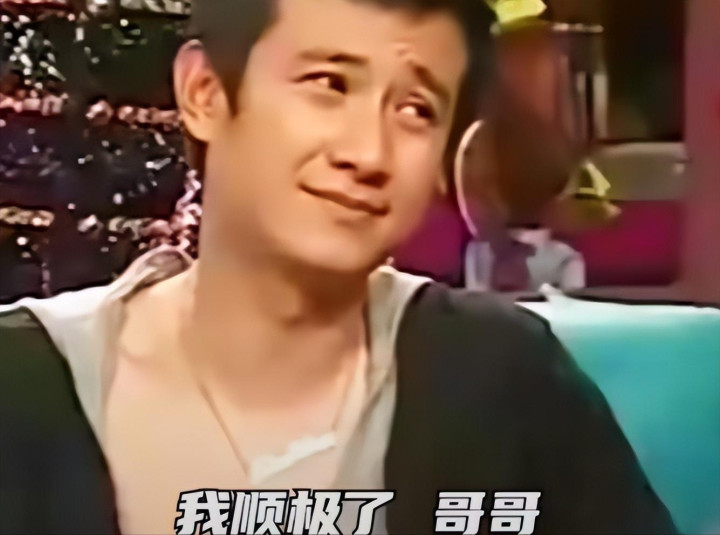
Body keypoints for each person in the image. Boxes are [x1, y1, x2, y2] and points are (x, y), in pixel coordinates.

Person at [0, 1, 676, 534]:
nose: (369, 153)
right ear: (204, 92)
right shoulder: (26, 385)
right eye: (328, 84)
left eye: (416, 110)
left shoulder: (505, 381)